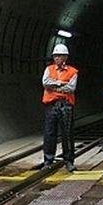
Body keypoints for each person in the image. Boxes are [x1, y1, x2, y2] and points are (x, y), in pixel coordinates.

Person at [41, 44, 78, 172]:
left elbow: (71, 88)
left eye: (60, 56)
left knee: (67, 134)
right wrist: (59, 84)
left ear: (65, 57)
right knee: (49, 133)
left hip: (66, 105)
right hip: (51, 105)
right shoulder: (48, 69)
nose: (57, 58)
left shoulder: (73, 71)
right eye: (55, 56)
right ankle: (48, 160)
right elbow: (45, 83)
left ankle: (69, 160)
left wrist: (54, 87)